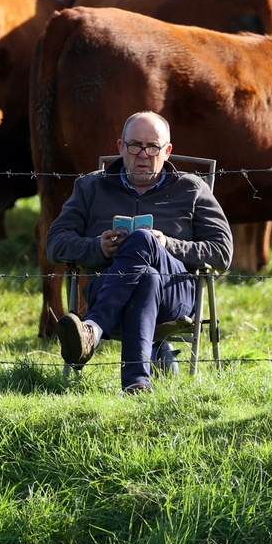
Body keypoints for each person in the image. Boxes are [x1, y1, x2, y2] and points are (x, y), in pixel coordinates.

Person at [47, 111, 233, 392]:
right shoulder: (91, 186)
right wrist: (97, 246)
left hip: (175, 296)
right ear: (120, 147)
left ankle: (93, 330)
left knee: (144, 240)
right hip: (108, 287)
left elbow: (222, 251)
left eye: (153, 147)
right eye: (135, 145)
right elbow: (55, 243)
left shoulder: (192, 189)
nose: (143, 155)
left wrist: (168, 245)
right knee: (146, 277)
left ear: (167, 151)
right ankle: (136, 385)